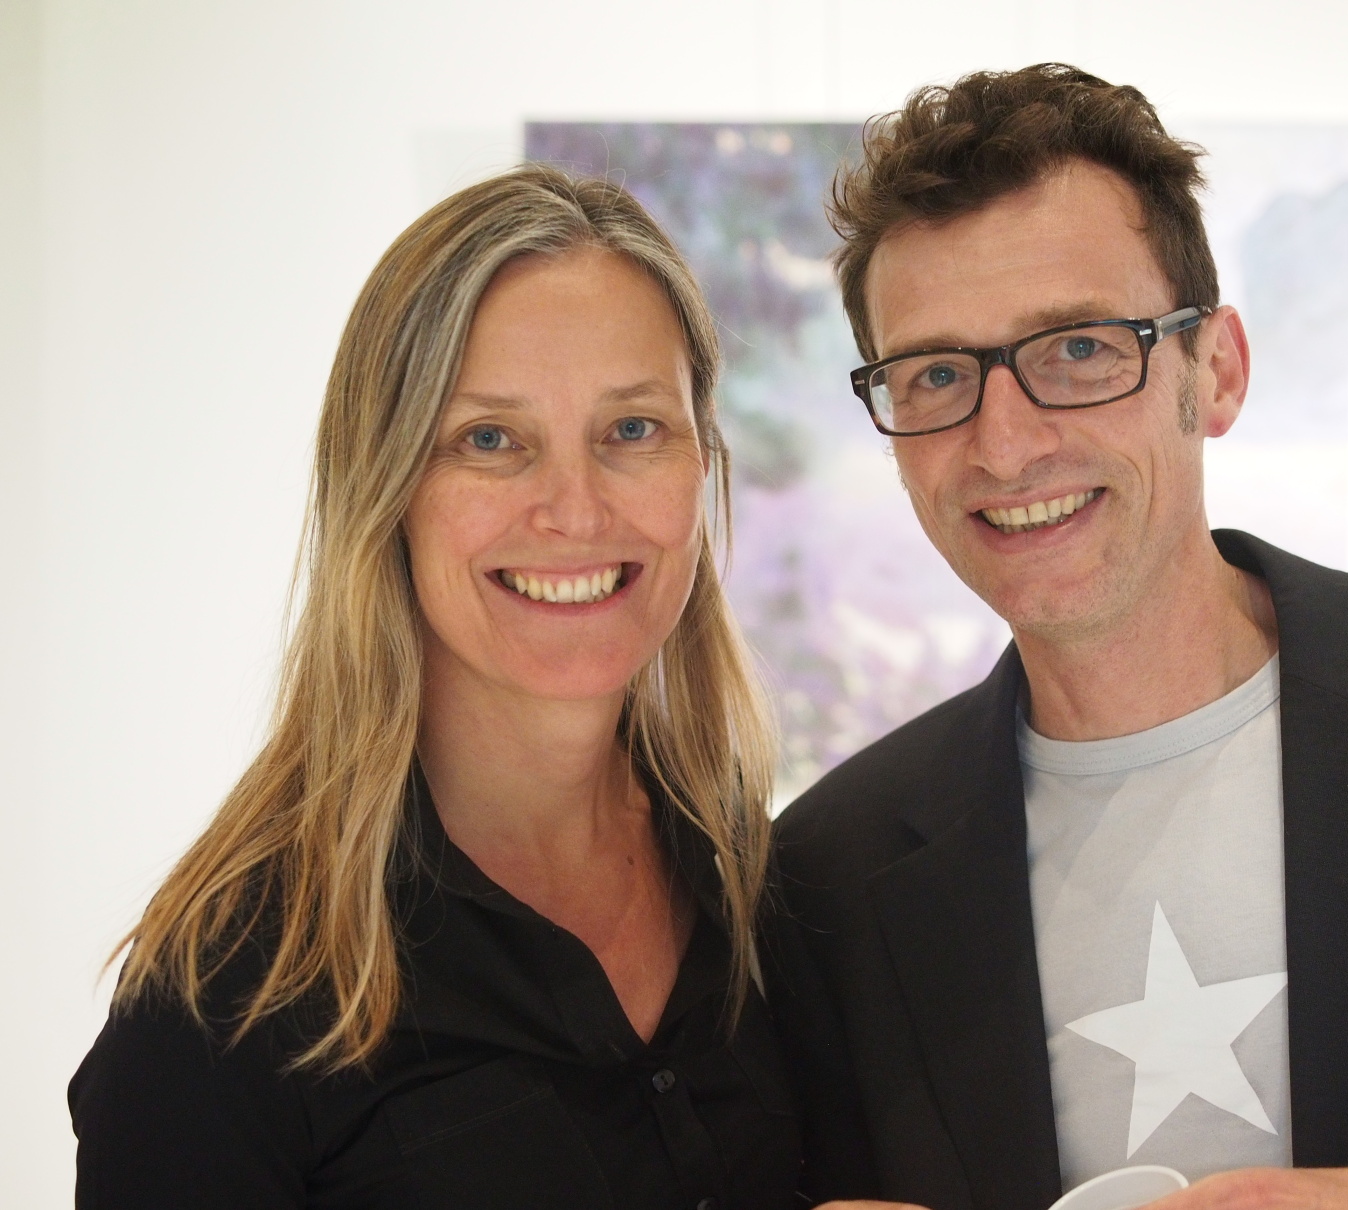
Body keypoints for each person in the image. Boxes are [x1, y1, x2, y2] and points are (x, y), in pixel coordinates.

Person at [765, 64, 1348, 1210]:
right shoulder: (829, 874)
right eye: (935, 375)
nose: (1004, 446)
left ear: (1215, 370)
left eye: (1076, 349)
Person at [69, 164, 802, 1210]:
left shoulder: (759, 882)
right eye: (489, 440)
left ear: (701, 460)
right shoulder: (222, 1003)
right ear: (387, 488)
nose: (574, 509)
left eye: (633, 429)